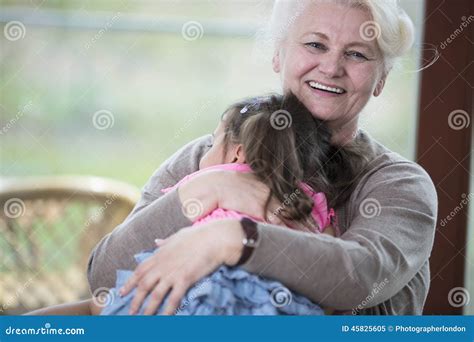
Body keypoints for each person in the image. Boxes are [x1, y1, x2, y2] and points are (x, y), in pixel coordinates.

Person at [88, 0, 438, 315]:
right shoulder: (206, 157)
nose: (332, 67)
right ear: (278, 54)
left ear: (382, 78)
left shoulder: (399, 184)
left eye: (357, 54)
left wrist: (232, 238)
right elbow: (105, 280)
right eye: (315, 44)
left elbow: (359, 278)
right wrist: (208, 188)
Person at [27, 92, 364, 315]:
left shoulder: (200, 185)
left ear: (237, 153)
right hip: (276, 309)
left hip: (192, 297)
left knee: (94, 310)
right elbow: (328, 254)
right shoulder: (309, 200)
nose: (203, 152)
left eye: (212, 141)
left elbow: (142, 253)